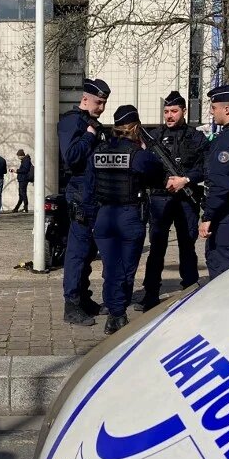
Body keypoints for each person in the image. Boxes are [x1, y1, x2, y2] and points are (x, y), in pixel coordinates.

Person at [173, 84, 229, 280]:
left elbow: (221, 182)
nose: (212, 113)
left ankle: (225, 296)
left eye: (213, 108)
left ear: (226, 109)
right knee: (222, 252)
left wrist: (208, 216)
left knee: (221, 257)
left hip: (227, 203)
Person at [134, 91, 209, 312]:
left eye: (174, 111)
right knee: (157, 246)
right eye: (166, 111)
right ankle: (150, 294)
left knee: (187, 245)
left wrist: (185, 179)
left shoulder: (196, 137)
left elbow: (206, 166)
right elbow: (145, 167)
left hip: (187, 198)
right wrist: (163, 180)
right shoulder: (154, 136)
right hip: (160, 197)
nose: (169, 115)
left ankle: (190, 290)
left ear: (184, 111)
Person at [91, 105, 163, 335]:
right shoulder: (137, 155)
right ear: (136, 127)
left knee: (111, 268)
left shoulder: (99, 151)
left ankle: (113, 310)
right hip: (128, 216)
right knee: (126, 269)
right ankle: (118, 314)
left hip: (104, 217)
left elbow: (90, 184)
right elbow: (158, 173)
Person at [59, 77, 111, 326]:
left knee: (89, 251)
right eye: (98, 102)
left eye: (104, 103)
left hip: (94, 195)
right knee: (77, 252)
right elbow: (70, 157)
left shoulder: (93, 125)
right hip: (80, 195)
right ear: (85, 99)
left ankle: (83, 298)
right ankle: (71, 305)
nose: (101, 107)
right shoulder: (72, 121)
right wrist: (89, 137)